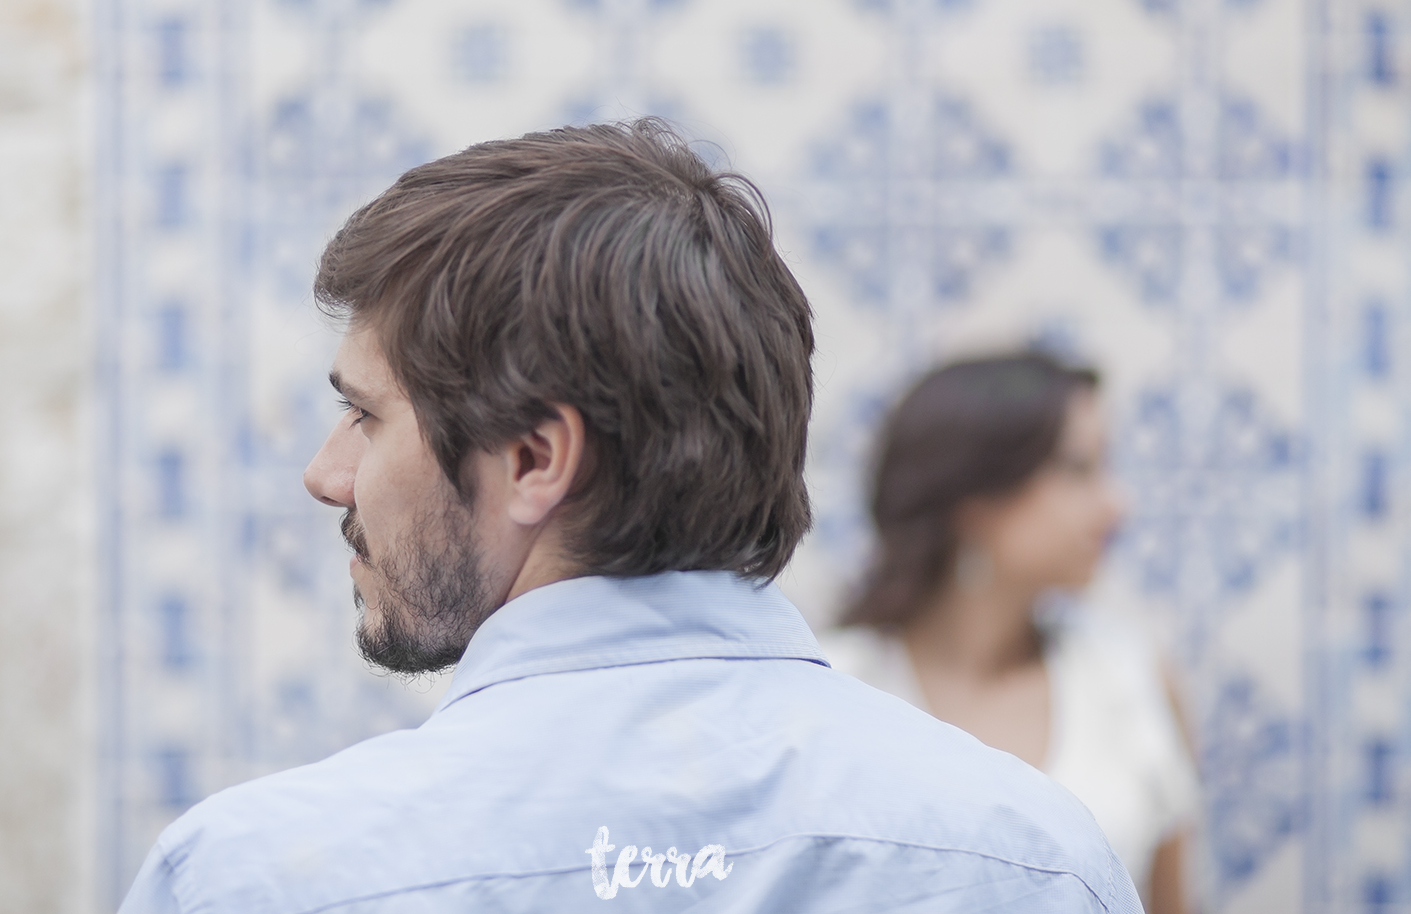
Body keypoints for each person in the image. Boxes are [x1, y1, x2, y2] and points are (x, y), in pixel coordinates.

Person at [118, 121, 1140, 912]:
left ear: (533, 458)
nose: (327, 473)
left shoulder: (259, 878)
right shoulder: (1030, 859)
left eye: (363, 414)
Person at [820, 353, 1199, 914]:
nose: (1117, 505)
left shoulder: (1130, 676)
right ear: (973, 496)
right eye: (1078, 470)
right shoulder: (835, 690)